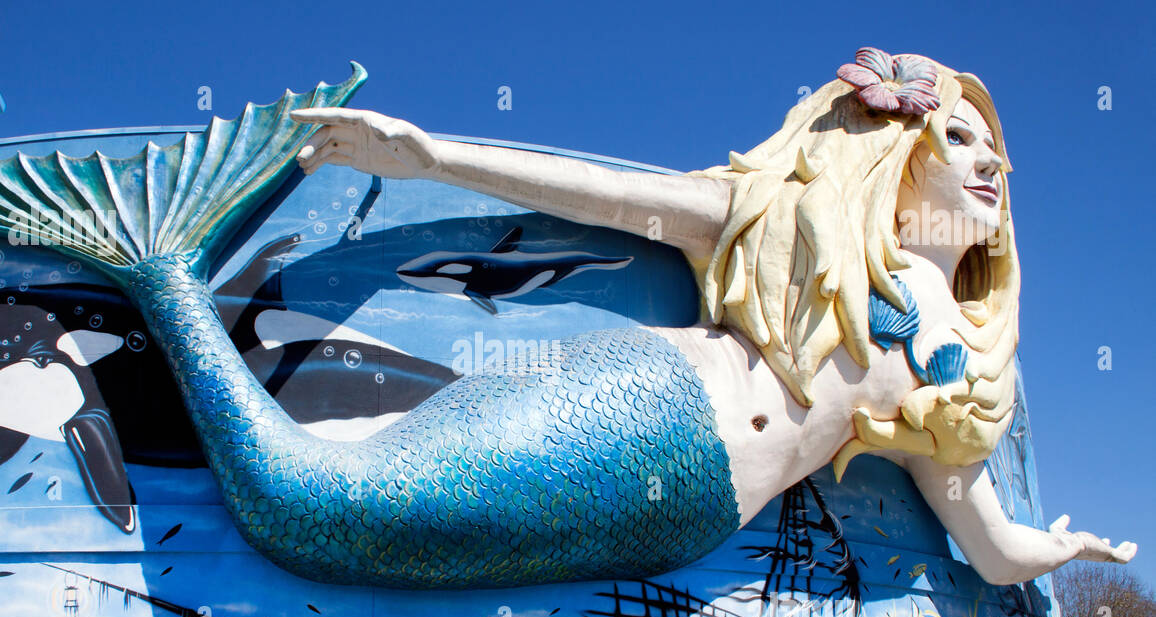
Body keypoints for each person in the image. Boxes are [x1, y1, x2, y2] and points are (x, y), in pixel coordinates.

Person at [288, 47, 1135, 585]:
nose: (989, 165)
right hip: (650, 398)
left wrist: (1067, 548)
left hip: (692, 508)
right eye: (959, 139)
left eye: (997, 155)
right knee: (332, 499)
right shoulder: (784, 214)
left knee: (352, 512)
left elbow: (988, 549)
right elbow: (619, 197)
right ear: (893, 152)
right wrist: (434, 156)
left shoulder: (965, 361)